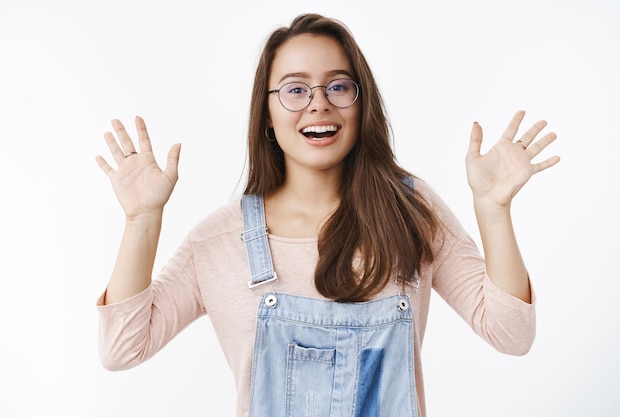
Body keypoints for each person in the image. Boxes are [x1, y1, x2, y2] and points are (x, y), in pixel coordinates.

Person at [95, 13, 559, 417]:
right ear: (267, 117)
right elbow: (122, 350)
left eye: (338, 86)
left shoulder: (410, 211)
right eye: (295, 89)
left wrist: (493, 209)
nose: (319, 103)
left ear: (361, 105)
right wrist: (141, 220)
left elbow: (511, 334)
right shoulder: (219, 241)